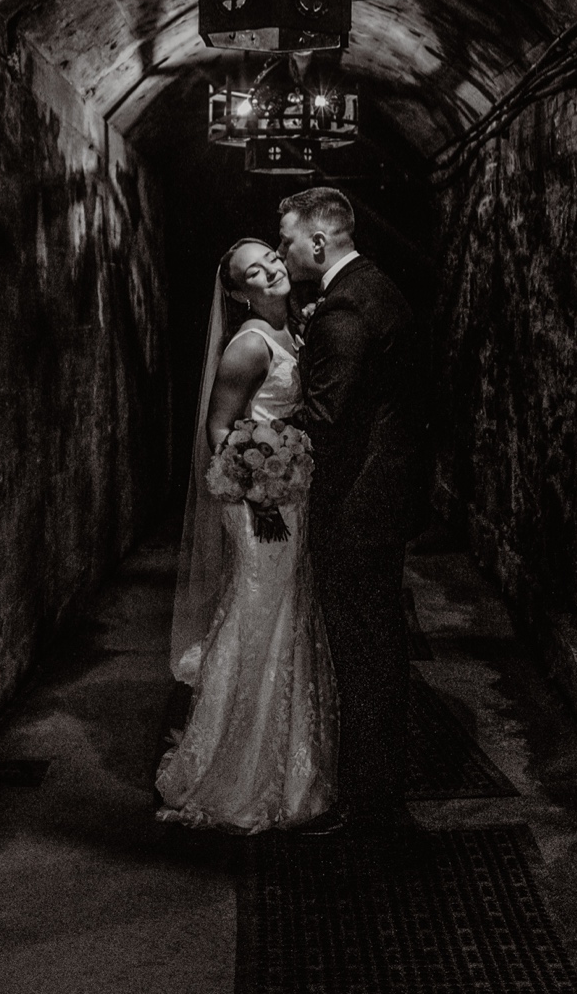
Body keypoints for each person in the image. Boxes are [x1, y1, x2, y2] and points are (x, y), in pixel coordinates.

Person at [155, 240, 337, 832]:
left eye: (272, 258)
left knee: (286, 615)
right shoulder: (250, 345)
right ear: (239, 293)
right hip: (261, 505)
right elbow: (218, 427)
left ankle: (287, 765)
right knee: (260, 616)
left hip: (289, 494)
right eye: (253, 271)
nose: (272, 269)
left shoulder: (294, 329)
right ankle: (236, 769)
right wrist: (256, 493)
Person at [276, 187, 427, 834]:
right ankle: (377, 785)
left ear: (318, 241)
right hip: (383, 500)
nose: (282, 251)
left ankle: (370, 799)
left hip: (357, 510)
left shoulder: (345, 305)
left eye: (287, 240)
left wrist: (259, 439)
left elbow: (326, 416)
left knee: (362, 654)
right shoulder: (375, 286)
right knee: (377, 647)